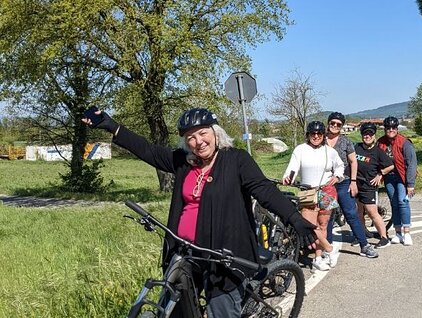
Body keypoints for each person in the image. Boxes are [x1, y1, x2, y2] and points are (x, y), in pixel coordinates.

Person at [82, 107, 317, 318]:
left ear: (215, 133)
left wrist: (294, 218)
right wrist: (111, 125)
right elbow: (147, 150)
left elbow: (264, 189)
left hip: (223, 255)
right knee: (173, 306)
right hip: (184, 251)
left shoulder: (236, 160)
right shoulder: (184, 162)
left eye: (203, 133)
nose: (198, 141)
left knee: (221, 310)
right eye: (190, 137)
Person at [282, 120, 345, 271]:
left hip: (326, 191)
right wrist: (288, 177)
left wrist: (338, 176)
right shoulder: (301, 149)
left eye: (319, 133)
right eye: (313, 133)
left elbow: (340, 166)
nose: (316, 136)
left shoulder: (330, 151)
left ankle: (318, 258)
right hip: (307, 192)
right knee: (309, 226)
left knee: (323, 225)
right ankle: (330, 249)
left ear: (323, 135)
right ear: (308, 135)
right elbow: (292, 167)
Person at [324, 112, 379, 260]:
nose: (335, 126)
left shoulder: (345, 141)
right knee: (327, 215)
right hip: (325, 185)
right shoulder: (320, 139)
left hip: (343, 182)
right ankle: (327, 247)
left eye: (338, 124)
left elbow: (353, 162)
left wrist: (353, 182)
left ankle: (364, 245)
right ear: (328, 123)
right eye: (332, 123)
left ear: (342, 126)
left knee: (351, 213)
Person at [378, 116, 418, 246]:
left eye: (393, 127)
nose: (391, 130)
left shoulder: (405, 142)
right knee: (394, 203)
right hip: (389, 177)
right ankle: (398, 233)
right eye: (388, 128)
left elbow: (412, 164)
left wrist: (410, 184)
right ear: (385, 129)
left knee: (402, 202)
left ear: (397, 128)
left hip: (403, 177)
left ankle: (407, 233)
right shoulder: (381, 142)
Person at [354, 122, 394, 249]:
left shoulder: (378, 151)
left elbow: (391, 165)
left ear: (374, 135)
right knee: (358, 212)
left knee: (372, 212)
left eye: (370, 134)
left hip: (369, 186)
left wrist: (380, 174)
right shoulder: (357, 148)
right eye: (365, 134)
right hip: (356, 184)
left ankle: (384, 238)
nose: (367, 136)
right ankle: (362, 235)